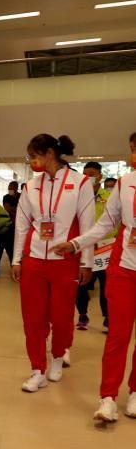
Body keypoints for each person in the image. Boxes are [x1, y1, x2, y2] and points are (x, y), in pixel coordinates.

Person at [53, 133, 136, 422]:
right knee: (118, 335)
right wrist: (76, 243)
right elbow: (105, 224)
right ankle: (108, 398)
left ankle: (135, 391)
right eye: (133, 149)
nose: (133, 156)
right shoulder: (125, 183)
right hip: (124, 269)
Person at [12, 135, 94, 392]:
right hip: (34, 260)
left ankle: (58, 356)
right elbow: (22, 226)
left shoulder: (80, 183)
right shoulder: (30, 187)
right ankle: (37, 369)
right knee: (32, 318)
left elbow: (88, 225)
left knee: (61, 316)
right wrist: (17, 259)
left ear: (49, 153)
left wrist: (86, 262)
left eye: (34, 156)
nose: (32, 162)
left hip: (65, 260)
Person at [75, 162, 112, 332]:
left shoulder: (110, 197)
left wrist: (105, 239)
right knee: (81, 284)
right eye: (85, 174)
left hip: (105, 248)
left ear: (99, 176)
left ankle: (107, 318)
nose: (88, 177)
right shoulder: (78, 196)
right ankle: (82, 314)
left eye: (91, 174)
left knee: (106, 286)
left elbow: (116, 222)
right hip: (84, 246)